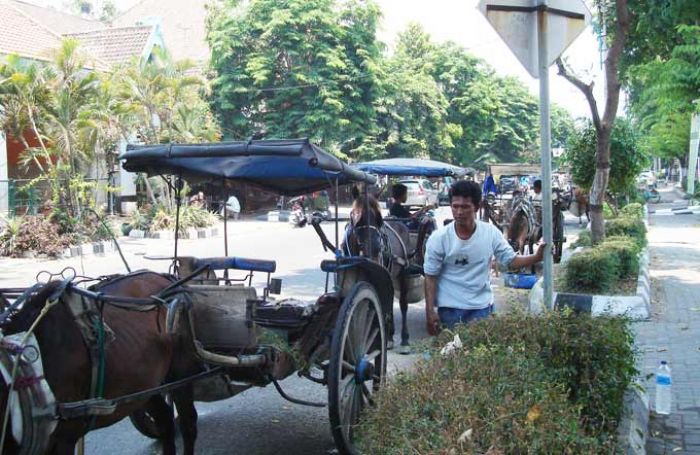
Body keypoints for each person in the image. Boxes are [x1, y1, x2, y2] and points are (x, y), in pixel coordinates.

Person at [423, 180, 545, 334]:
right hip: (449, 310)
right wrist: (430, 312)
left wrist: (537, 256)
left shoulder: (491, 233)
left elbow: (511, 261)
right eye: (455, 206)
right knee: (450, 354)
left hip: (481, 309)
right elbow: (430, 276)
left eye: (465, 207)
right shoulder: (439, 238)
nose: (459, 212)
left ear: (477, 207)